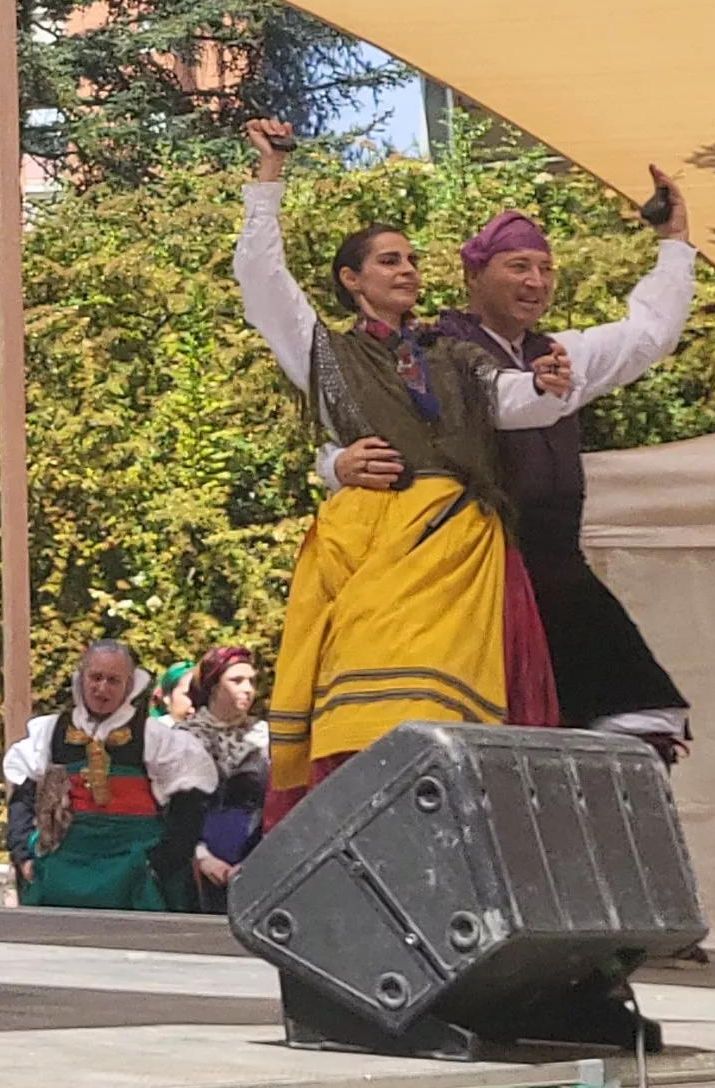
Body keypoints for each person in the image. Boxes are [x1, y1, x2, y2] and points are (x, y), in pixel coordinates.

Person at [237, 120, 584, 803]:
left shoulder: (451, 354)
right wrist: (269, 177)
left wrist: (543, 385)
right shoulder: (326, 354)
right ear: (351, 279)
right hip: (374, 544)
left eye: (412, 260)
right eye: (389, 260)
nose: (407, 271)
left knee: (456, 723)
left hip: (461, 546)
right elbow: (260, 279)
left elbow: (509, 401)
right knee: (368, 697)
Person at [362, 197, 699, 758]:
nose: (536, 282)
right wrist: (335, 462)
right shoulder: (430, 352)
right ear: (473, 274)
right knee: (491, 727)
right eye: (518, 266)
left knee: (636, 710)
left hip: (557, 564)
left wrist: (673, 240)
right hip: (475, 565)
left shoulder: (561, 352)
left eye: (545, 269)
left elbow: (649, 334)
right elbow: (358, 413)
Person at [0, 642, 216, 911]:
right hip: (60, 870)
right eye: (95, 678)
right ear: (81, 678)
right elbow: (22, 800)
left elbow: (189, 807)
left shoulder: (155, 738)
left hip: (133, 873)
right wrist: (24, 856)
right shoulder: (49, 733)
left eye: (113, 680)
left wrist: (160, 863)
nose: (102, 688)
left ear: (130, 685)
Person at [178, 646, 268, 912]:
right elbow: (168, 808)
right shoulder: (183, 737)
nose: (248, 689)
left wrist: (257, 861)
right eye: (236, 681)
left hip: (251, 860)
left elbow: (274, 804)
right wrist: (202, 858)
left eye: (252, 681)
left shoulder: (264, 736)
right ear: (214, 686)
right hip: (194, 862)